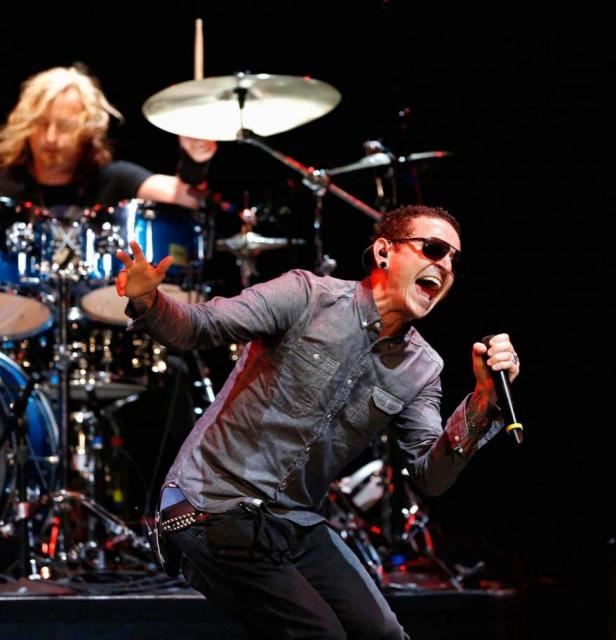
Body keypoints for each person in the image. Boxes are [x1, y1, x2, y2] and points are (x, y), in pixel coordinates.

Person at [115, 204, 520, 639]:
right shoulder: (307, 295)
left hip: (293, 521)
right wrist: (148, 300)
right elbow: (200, 326)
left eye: (453, 261)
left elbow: (430, 476)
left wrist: (482, 401)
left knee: (383, 634)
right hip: (210, 507)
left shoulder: (422, 368)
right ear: (384, 252)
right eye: (433, 249)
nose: (444, 265)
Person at [0, 64, 216, 210]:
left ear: (88, 130)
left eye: (65, 126)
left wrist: (193, 160)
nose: (51, 137)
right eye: (41, 124)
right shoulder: (4, 182)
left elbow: (184, 197)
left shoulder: (112, 179)